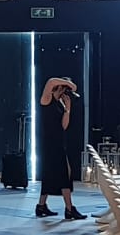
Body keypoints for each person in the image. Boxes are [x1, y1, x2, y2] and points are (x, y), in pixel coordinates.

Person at [35, 76, 85, 220]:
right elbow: (51, 81)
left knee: (50, 174)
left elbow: (63, 126)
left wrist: (68, 109)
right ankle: (69, 209)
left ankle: (41, 206)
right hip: (49, 143)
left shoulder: (59, 104)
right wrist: (69, 83)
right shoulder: (47, 99)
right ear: (61, 87)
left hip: (58, 142)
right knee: (64, 173)